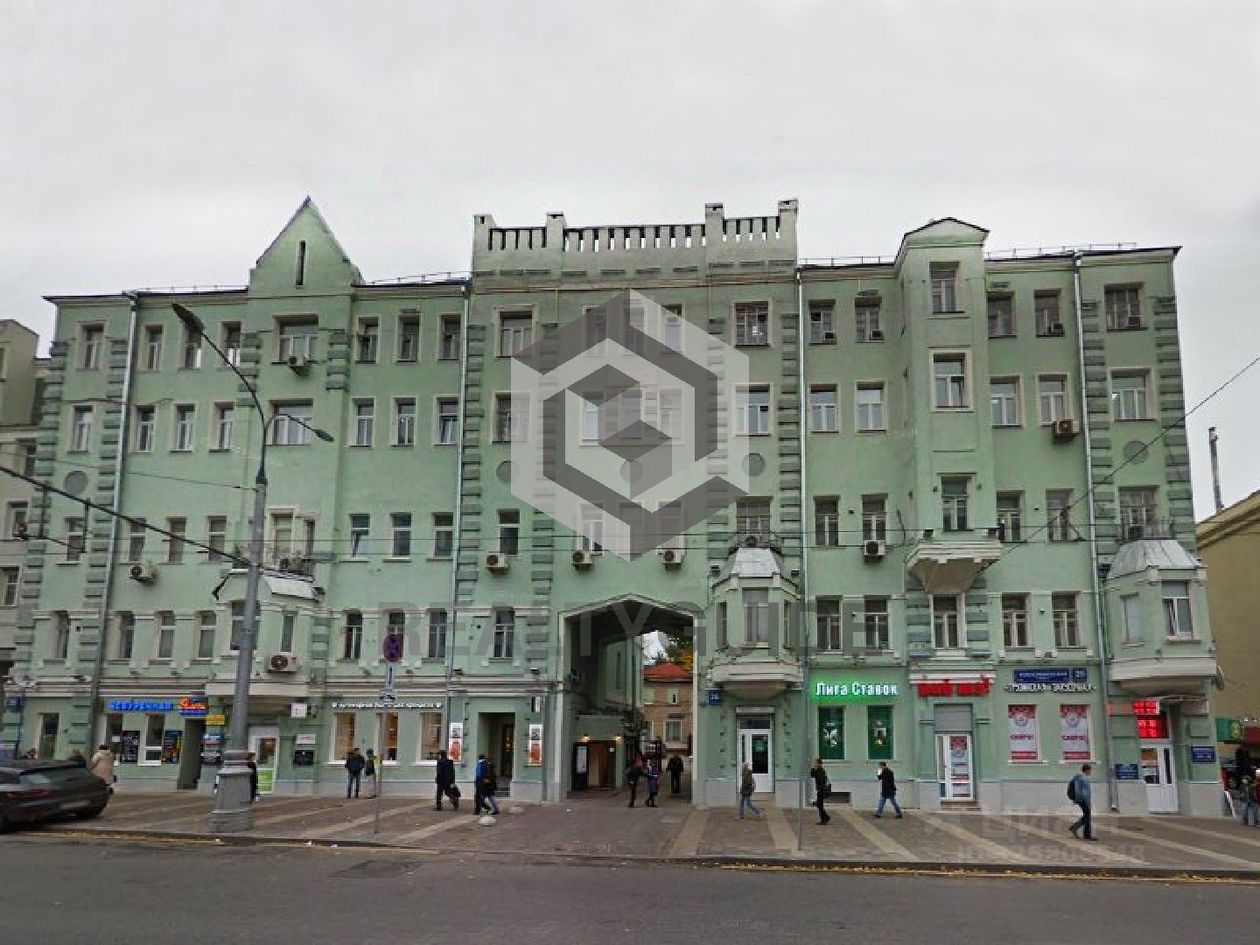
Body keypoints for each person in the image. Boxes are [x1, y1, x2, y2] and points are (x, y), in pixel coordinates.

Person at [1068, 763, 1097, 841]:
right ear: (1087, 770)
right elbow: (1081, 790)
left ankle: (1076, 829)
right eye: (1090, 770)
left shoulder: (1081, 777)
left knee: (1087, 816)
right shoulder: (1082, 777)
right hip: (1083, 800)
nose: (1091, 772)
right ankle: (1085, 834)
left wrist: (1078, 799)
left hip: (1082, 799)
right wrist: (1082, 800)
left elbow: (1082, 790)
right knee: (1087, 816)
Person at [811, 757, 831, 825]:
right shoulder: (818, 770)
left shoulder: (821, 770)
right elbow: (812, 775)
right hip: (820, 789)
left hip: (821, 790)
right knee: (819, 805)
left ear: (819, 763)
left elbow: (821, 780)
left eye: (815, 763)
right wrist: (813, 768)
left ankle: (825, 818)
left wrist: (820, 788)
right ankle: (825, 818)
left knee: (819, 805)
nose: (815, 764)